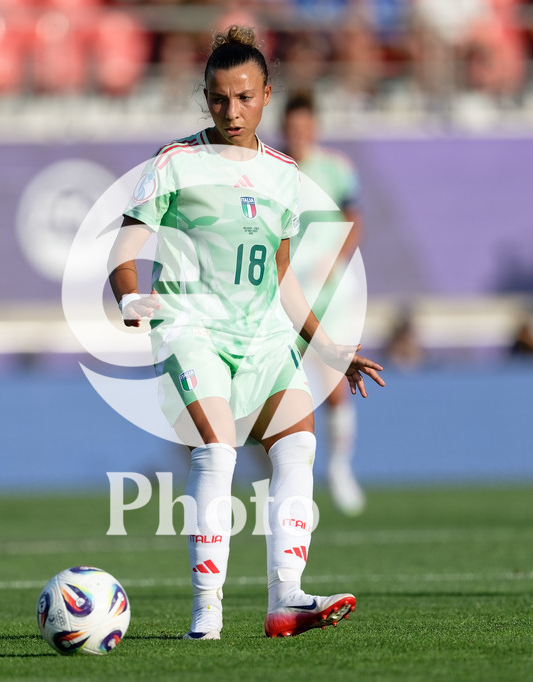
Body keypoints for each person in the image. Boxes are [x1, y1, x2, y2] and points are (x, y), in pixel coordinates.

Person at [108, 25, 385, 640]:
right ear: (204, 97)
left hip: (264, 337)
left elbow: (283, 278)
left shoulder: (285, 175)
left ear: (267, 94)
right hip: (191, 329)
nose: (231, 111)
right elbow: (125, 249)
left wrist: (326, 344)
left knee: (298, 446)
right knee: (219, 448)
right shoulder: (175, 163)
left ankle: (286, 599)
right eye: (217, 98)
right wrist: (129, 293)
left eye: (244, 97)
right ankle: (207, 612)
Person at [280, 88, 367, 516]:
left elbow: (355, 220)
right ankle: (289, 481)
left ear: (313, 127)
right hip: (284, 298)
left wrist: (333, 259)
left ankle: (338, 469)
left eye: (303, 127)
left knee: (333, 388)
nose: (296, 134)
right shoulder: (274, 170)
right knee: (277, 392)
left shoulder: (335, 169)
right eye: (290, 128)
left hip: (328, 298)